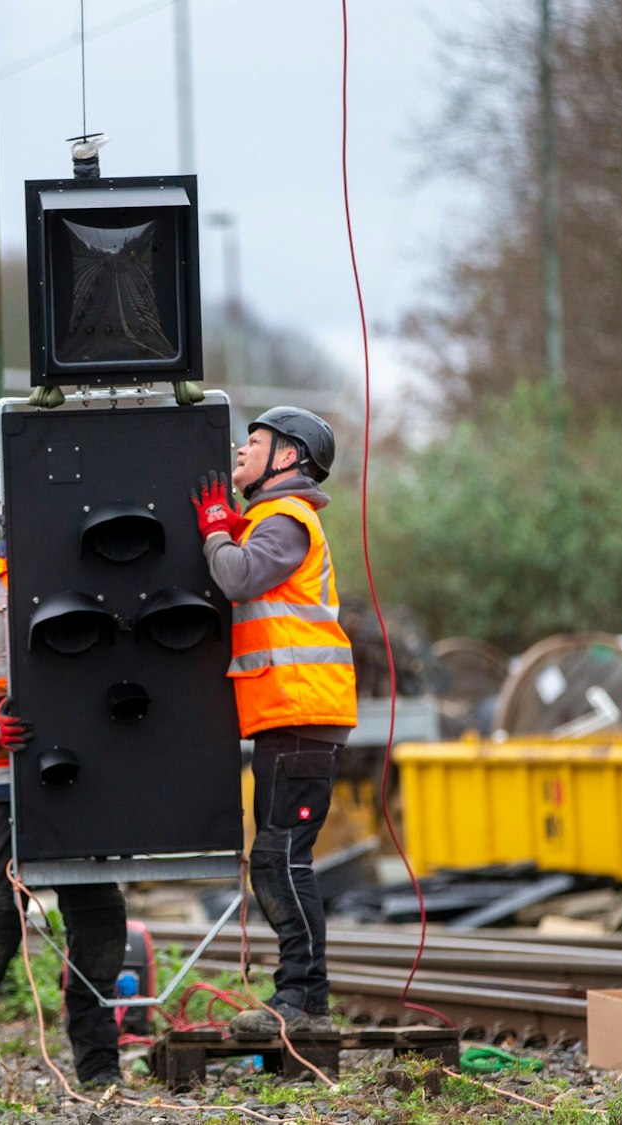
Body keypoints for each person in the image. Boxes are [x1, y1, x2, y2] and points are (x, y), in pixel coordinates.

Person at [0, 473, 128, 1085]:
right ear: (3, 514)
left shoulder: (86, 582)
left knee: (99, 917)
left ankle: (99, 1066)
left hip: (80, 782)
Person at [191, 407, 357, 1037]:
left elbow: (239, 577)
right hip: (287, 716)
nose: (240, 449)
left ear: (287, 457)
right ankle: (301, 997)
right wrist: (231, 529)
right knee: (279, 858)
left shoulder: (287, 518)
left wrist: (216, 533)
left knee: (280, 860)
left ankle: (303, 1001)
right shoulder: (273, 520)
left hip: (300, 713)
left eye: (254, 441)